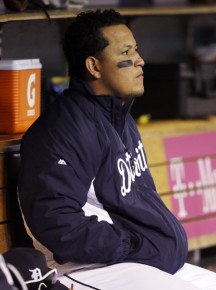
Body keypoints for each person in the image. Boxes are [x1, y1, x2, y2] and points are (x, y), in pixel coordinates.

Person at [18, 9, 216, 290]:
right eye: (127, 52)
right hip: (87, 268)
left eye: (136, 49)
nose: (140, 60)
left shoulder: (119, 118)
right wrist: (136, 243)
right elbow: (58, 224)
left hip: (137, 263)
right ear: (94, 67)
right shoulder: (62, 130)